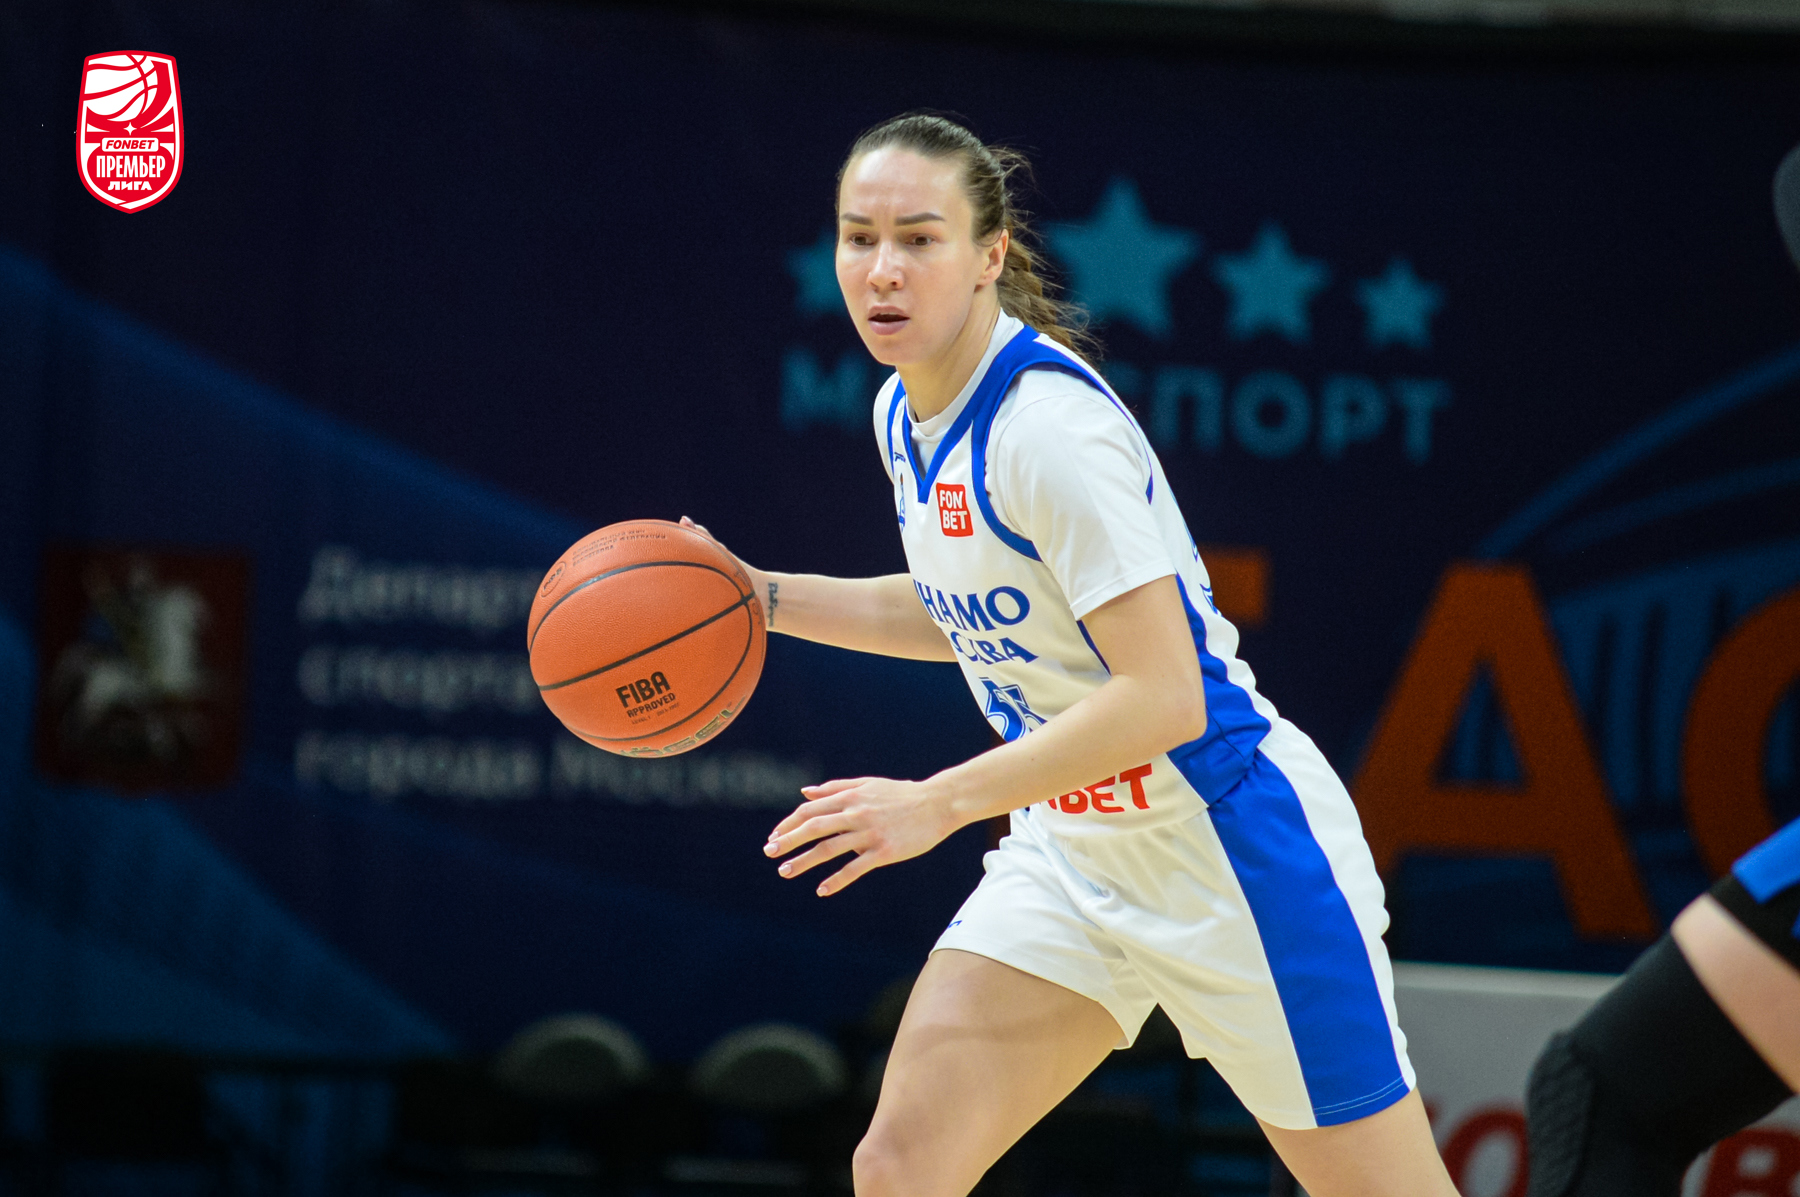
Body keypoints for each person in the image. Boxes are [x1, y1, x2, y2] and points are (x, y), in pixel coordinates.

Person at [684, 113, 1459, 1197]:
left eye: (919, 238)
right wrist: (758, 598)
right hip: (1076, 850)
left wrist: (938, 802)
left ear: (990, 254)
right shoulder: (904, 412)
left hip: (1228, 848)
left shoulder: (1047, 430)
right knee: (901, 1165)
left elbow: (1166, 698)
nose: (882, 270)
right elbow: (964, 608)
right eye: (859, 238)